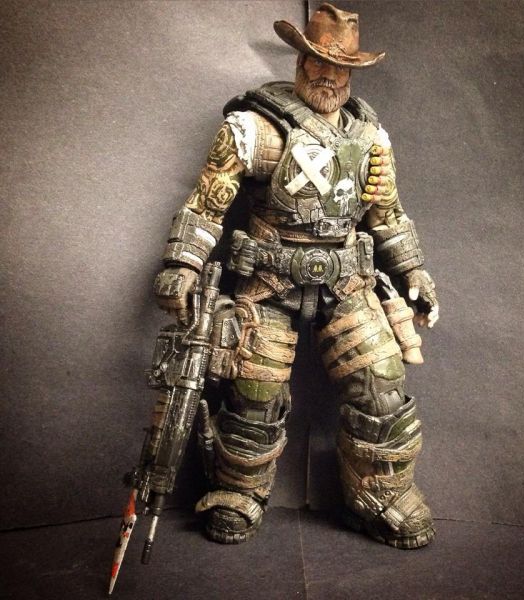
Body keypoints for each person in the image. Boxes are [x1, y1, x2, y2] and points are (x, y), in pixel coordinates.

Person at [153, 3, 439, 549]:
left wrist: (415, 271)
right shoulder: (253, 127)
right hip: (268, 284)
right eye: (318, 63)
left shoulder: (371, 138)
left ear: (352, 73)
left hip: (347, 283)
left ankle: (381, 493)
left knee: (381, 386)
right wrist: (182, 263)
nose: (328, 76)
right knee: (253, 392)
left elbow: (387, 215)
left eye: (340, 68)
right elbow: (208, 201)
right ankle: (239, 489)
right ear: (300, 62)